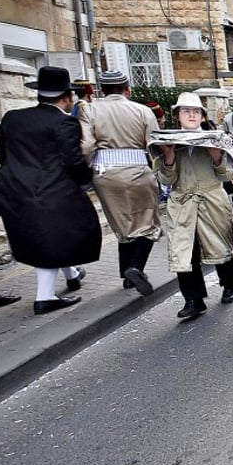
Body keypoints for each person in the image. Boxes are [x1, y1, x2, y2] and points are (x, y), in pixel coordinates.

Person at [0, 66, 100, 315]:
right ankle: (45, 297)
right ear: (67, 97)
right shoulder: (64, 122)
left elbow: (4, 154)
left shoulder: (12, 118)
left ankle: (72, 273)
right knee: (55, 238)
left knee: (49, 237)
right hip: (52, 191)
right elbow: (73, 161)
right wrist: (87, 179)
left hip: (14, 189)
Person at [152, 93, 233, 320]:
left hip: (212, 200)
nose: (191, 115)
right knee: (183, 251)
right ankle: (193, 299)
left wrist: (216, 157)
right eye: (185, 111)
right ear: (177, 115)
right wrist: (169, 157)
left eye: (195, 111)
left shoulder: (215, 139)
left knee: (220, 244)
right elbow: (165, 180)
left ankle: (229, 285)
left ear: (202, 116)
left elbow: (228, 174)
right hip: (182, 202)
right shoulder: (168, 141)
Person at [78, 69, 162, 296]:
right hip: (137, 170)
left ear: (101, 90)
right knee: (148, 224)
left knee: (122, 225)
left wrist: (89, 170)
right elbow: (154, 144)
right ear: (127, 89)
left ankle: (126, 275)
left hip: (105, 174)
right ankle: (135, 267)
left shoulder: (90, 110)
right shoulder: (143, 111)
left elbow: (86, 147)